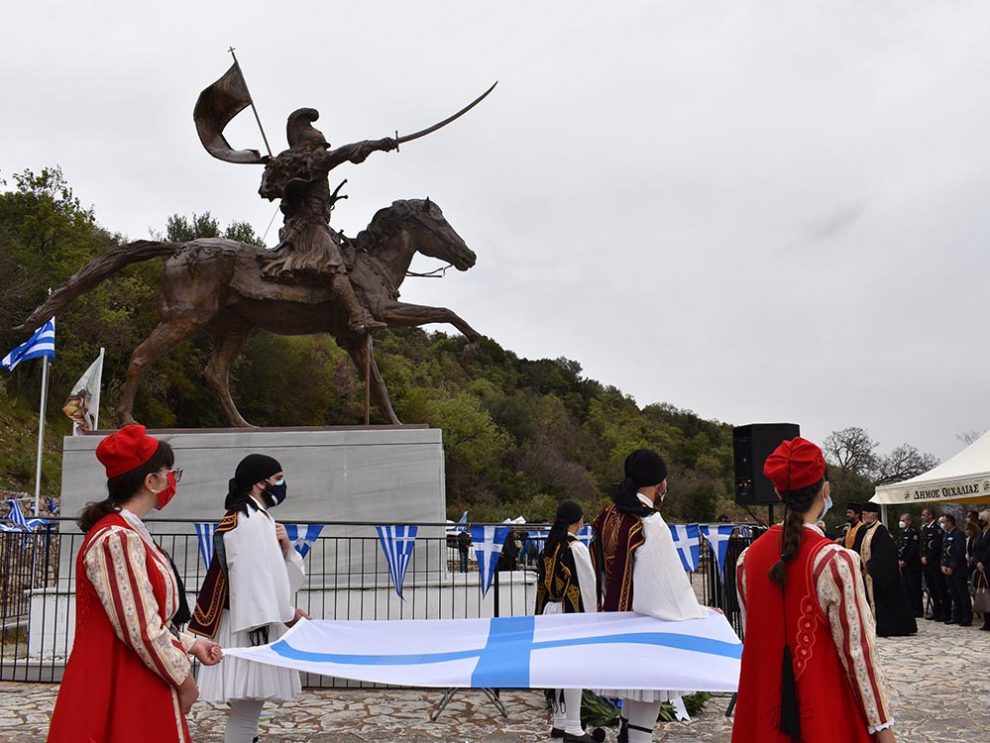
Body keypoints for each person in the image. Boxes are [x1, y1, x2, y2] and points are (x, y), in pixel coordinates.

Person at [48, 425, 222, 742]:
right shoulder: (117, 538)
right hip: (120, 679)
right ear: (151, 481)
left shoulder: (126, 532)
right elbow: (140, 627)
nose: (173, 481)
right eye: (170, 473)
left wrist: (189, 644)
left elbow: (140, 616)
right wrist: (185, 680)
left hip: (131, 671)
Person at [732, 437, 894, 743]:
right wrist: (882, 726)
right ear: (825, 489)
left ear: (778, 491)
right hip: (825, 713)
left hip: (764, 715)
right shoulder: (836, 561)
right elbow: (857, 653)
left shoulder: (746, 560)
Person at [591, 449, 707, 743]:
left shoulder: (608, 515)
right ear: (659, 482)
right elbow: (665, 584)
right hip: (646, 628)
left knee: (631, 706)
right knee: (645, 702)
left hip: (616, 621)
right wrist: (698, 614)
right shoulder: (649, 523)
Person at [190, 454, 308, 743]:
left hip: (254, 618)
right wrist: (288, 614)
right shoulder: (250, 520)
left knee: (248, 710)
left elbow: (268, 573)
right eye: (278, 479)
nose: (281, 485)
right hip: (252, 624)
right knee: (247, 709)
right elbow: (253, 579)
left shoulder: (252, 516)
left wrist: (284, 548)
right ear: (260, 483)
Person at [258, 108, 393, 333]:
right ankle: (357, 316)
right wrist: (375, 144)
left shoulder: (298, 166)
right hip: (307, 229)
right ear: (312, 147)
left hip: (317, 226)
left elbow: (268, 190)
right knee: (335, 266)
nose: (323, 150)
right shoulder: (314, 162)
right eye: (321, 146)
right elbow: (343, 153)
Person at [535, 500, 599, 743]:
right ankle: (573, 726)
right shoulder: (575, 548)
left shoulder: (550, 547)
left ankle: (559, 723)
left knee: (557, 669)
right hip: (568, 612)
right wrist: (593, 617)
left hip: (550, 610)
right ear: (579, 520)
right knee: (574, 667)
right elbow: (586, 585)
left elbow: (542, 586)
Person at [852, 504, 917, 637]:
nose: (863, 515)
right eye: (863, 513)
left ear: (873, 515)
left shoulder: (880, 530)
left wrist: (870, 567)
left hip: (878, 574)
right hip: (869, 573)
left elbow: (884, 553)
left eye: (866, 513)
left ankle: (889, 626)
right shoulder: (867, 530)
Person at [939, 513, 972, 626]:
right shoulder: (945, 534)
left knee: (962, 594)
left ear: (949, 522)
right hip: (947, 569)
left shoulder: (959, 534)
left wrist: (952, 566)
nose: (942, 524)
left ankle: (966, 617)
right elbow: (944, 552)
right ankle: (956, 616)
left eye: (943, 522)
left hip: (958, 570)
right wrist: (943, 565)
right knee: (953, 594)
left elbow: (959, 552)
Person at [919, 507, 949, 620]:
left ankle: (945, 612)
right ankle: (936, 611)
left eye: (924, 514)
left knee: (940, 588)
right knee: (931, 588)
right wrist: (922, 556)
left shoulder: (937, 529)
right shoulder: (925, 528)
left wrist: (928, 557)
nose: (923, 517)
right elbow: (922, 545)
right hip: (926, 564)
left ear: (930, 515)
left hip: (934, 563)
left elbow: (937, 546)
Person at [896, 513, 923, 618]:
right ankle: (910, 608)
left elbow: (913, 549)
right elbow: (899, 547)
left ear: (909, 521)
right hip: (903, 565)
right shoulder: (902, 533)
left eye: (903, 520)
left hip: (912, 565)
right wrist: (898, 560)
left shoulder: (913, 533)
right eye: (900, 520)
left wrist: (905, 560)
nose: (901, 522)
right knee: (906, 587)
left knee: (914, 588)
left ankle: (917, 609)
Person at [972, 510, 990, 631]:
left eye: (981, 518)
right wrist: (977, 562)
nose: (979, 521)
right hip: (980, 568)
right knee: (983, 593)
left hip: (988, 566)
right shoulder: (979, 533)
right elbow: (975, 549)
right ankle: (987, 620)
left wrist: (983, 562)